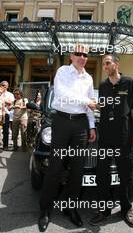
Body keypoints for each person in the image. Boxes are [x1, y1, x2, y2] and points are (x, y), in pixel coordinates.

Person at [38, 44, 96, 232]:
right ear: (71, 56)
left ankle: (70, 208)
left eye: (85, 54)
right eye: (78, 53)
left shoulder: (88, 78)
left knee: (77, 169)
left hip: (80, 124)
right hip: (62, 121)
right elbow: (62, 95)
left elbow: (89, 108)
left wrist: (92, 125)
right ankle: (45, 210)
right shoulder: (63, 71)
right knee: (55, 166)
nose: (81, 57)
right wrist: (88, 101)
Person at [89, 53, 133, 228]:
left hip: (124, 137)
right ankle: (103, 210)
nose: (105, 66)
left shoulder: (129, 83)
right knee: (102, 175)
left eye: (107, 63)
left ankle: (126, 209)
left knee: (125, 175)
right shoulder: (103, 86)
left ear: (116, 64)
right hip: (105, 137)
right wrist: (95, 105)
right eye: (103, 64)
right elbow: (104, 106)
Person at [0, 81, 14, 151]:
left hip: (6, 114)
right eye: (2, 85)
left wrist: (4, 101)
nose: (4, 87)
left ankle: (5, 145)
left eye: (5, 86)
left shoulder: (10, 94)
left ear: (8, 87)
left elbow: (11, 104)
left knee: (5, 130)